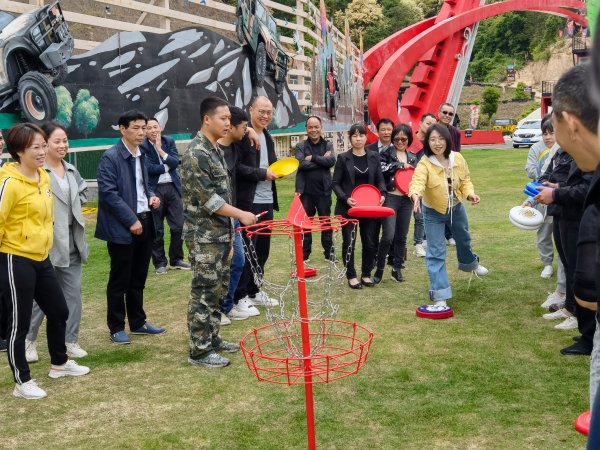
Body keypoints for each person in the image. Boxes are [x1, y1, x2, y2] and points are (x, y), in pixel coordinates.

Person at [0, 123, 90, 400]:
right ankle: (22, 381)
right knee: (19, 323)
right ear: (19, 151)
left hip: (42, 257)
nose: (42, 152)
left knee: (59, 310)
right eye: (35, 147)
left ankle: (59, 364)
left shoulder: (43, 177)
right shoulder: (9, 183)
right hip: (16, 258)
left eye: (43, 146)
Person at [181, 96, 257, 368]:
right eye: (223, 118)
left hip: (219, 234)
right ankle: (199, 351)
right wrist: (240, 215)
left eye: (229, 119)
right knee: (204, 292)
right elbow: (210, 200)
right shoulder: (196, 154)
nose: (228, 123)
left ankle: (212, 339)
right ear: (207, 119)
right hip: (204, 237)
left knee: (217, 290)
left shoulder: (212, 149)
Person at [96, 110, 166, 344]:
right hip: (122, 226)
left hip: (145, 220)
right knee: (120, 279)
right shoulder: (111, 157)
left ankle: (138, 322)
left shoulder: (142, 154)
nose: (141, 132)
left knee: (138, 277)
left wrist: (152, 196)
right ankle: (116, 326)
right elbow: (109, 193)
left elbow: (143, 185)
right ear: (122, 129)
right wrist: (130, 219)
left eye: (144, 127)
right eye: (136, 128)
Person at [25, 122, 89, 363]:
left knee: (73, 295)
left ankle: (70, 341)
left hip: (73, 241)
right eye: (57, 141)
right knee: (41, 298)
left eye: (65, 141)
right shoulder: (37, 172)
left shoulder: (71, 169)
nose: (63, 145)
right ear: (45, 144)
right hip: (47, 243)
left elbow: (83, 193)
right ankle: (28, 341)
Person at [409, 123, 488, 307]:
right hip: (433, 212)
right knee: (435, 252)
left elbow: (465, 180)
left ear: (447, 140)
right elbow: (417, 182)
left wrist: (470, 194)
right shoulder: (425, 162)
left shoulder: (457, 158)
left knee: (464, 240)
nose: (437, 143)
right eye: (432, 139)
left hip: (456, 208)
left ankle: (471, 265)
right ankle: (440, 295)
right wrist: (416, 196)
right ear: (428, 142)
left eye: (441, 139)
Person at [234, 96, 280, 308]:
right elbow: (237, 168)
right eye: (261, 111)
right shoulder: (242, 135)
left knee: (262, 250)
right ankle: (240, 295)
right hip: (248, 202)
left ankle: (254, 290)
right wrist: (262, 173)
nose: (265, 116)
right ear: (251, 109)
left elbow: (270, 164)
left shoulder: (267, 136)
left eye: (269, 112)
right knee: (246, 249)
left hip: (267, 200)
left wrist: (279, 170)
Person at [217, 106, 260, 323]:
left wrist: (250, 130)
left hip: (232, 215)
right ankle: (216, 310)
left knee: (238, 262)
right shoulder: (212, 151)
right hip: (217, 218)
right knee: (219, 265)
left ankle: (227, 306)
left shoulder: (234, 147)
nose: (245, 130)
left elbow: (245, 161)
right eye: (243, 127)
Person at [332, 123, 386, 289]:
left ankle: (366, 274)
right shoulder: (343, 158)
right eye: (354, 136)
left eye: (361, 135)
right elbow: (335, 183)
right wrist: (345, 198)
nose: (358, 139)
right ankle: (351, 276)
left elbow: (380, 180)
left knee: (369, 241)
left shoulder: (374, 156)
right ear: (350, 138)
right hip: (348, 208)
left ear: (366, 137)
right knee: (349, 241)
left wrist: (382, 193)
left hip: (369, 208)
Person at [140, 118, 190, 274]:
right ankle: (159, 263)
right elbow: (149, 168)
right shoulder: (142, 146)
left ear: (160, 128)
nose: (153, 130)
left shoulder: (169, 141)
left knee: (179, 225)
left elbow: (176, 162)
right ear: (145, 131)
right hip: (154, 190)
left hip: (173, 188)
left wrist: (160, 150)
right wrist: (168, 166)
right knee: (157, 228)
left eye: (155, 127)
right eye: (149, 128)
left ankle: (176, 259)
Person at [374, 124, 417, 284]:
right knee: (388, 236)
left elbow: (417, 178)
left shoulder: (413, 157)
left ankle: (396, 269)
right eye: (397, 138)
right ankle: (379, 268)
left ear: (409, 140)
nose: (400, 141)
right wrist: (399, 165)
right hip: (390, 198)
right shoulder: (386, 153)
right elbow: (381, 169)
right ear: (392, 139)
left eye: (403, 139)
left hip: (406, 200)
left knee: (401, 236)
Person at [295, 115, 336, 263]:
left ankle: (329, 254)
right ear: (306, 129)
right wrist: (322, 160)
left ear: (321, 128)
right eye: (310, 127)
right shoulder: (300, 146)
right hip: (306, 192)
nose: (314, 130)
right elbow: (301, 164)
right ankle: (305, 255)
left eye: (316, 127)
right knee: (305, 225)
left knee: (326, 223)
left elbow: (331, 161)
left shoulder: (328, 144)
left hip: (324, 191)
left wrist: (312, 158)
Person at [409, 113, 437, 258]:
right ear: (420, 123)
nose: (430, 126)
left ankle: (418, 244)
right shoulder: (408, 139)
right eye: (428, 123)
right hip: (403, 182)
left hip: (421, 185)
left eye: (433, 124)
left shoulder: (432, 144)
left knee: (420, 216)